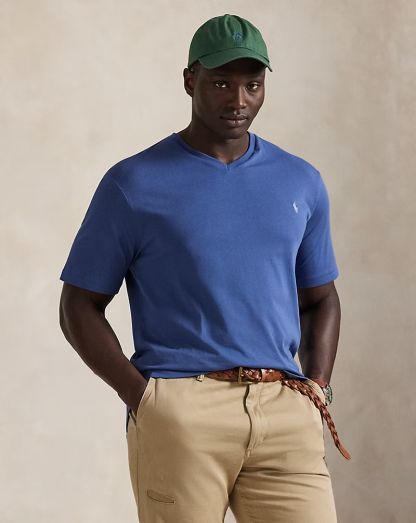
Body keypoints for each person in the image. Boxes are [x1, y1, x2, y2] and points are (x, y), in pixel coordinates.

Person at [59, 13, 350, 523]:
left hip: (285, 411)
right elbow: (78, 306)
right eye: (221, 83)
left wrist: (316, 390)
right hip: (182, 413)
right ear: (189, 80)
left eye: (252, 85)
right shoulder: (133, 183)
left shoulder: (300, 181)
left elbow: (321, 298)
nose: (238, 100)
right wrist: (144, 399)